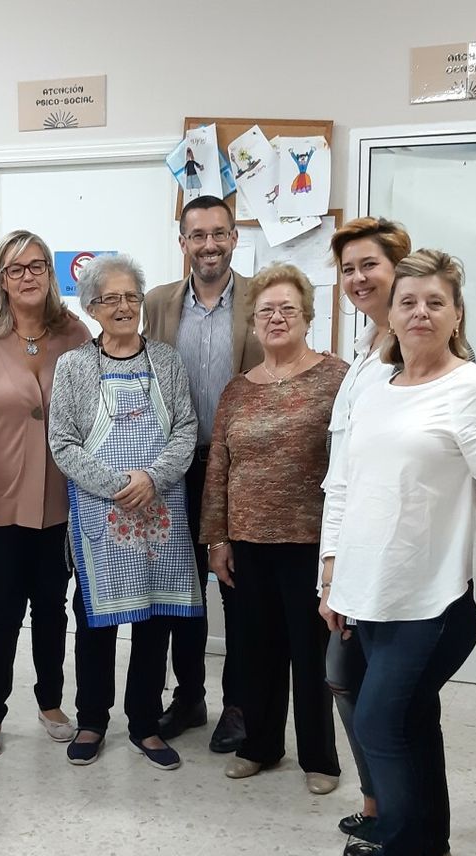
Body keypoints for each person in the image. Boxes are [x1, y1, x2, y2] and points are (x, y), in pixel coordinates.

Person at [320, 249, 476, 856]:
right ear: (390, 314)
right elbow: (343, 487)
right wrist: (332, 575)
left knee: (380, 724)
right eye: (407, 301)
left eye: (436, 301)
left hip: (433, 599)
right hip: (365, 592)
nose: (420, 312)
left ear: (456, 314)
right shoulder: (374, 389)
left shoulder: (475, 389)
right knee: (408, 720)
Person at [49, 253, 201, 770]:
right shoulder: (73, 366)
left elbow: (185, 428)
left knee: (154, 621)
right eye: (109, 298)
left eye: (131, 297)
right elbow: (63, 444)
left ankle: (144, 723)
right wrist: (119, 486)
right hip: (103, 515)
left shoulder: (166, 361)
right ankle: (92, 719)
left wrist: (153, 478)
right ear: (91, 307)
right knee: (95, 623)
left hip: (160, 510)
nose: (122, 307)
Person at [200, 263, 347, 795]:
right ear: (253, 322)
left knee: (310, 657)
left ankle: (320, 759)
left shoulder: (337, 378)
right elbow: (219, 467)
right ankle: (259, 746)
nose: (277, 318)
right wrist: (217, 539)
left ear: (307, 316)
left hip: (311, 542)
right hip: (248, 543)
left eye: (288, 308)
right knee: (254, 653)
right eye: (266, 310)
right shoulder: (237, 390)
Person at [141, 194, 262, 753]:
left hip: (240, 467)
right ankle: (189, 697)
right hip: (176, 466)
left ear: (234, 238)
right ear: (183, 242)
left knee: (239, 591)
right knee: (181, 591)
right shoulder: (158, 304)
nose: (209, 244)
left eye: (219, 233)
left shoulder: (261, 298)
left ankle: (239, 706)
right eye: (198, 235)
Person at [0, 230, 88, 758]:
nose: (28, 276)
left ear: (50, 275)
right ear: (1, 280)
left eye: (37, 266)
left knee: (52, 608)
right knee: (2, 610)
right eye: (16, 269)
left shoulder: (75, 334)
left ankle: (51, 703)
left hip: (60, 500)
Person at [319, 217, 414, 856]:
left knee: (377, 698)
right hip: (349, 547)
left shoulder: (411, 352)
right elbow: (343, 471)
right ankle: (378, 804)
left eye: (369, 265)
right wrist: (331, 569)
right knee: (345, 677)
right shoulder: (364, 348)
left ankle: (398, 821)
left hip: (389, 557)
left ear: (398, 269)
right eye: (348, 269)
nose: (357, 278)